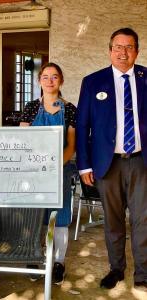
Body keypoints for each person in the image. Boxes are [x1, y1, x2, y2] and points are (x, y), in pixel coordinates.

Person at [76, 28, 147, 290]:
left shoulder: (146, 78)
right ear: (110, 50)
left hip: (141, 162)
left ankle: (143, 273)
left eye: (128, 47)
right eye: (118, 47)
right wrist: (84, 164)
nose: (123, 52)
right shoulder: (93, 81)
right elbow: (83, 126)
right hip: (108, 164)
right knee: (113, 221)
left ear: (136, 51)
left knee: (143, 220)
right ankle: (116, 269)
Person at [20, 62, 76, 284]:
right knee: (35, 216)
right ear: (39, 80)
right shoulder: (31, 107)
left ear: (61, 80)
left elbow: (71, 145)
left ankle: (58, 263)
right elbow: (24, 141)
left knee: (60, 218)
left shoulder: (70, 109)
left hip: (60, 169)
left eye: (54, 77)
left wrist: (56, 167)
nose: (50, 80)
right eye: (45, 76)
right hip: (33, 171)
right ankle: (35, 256)